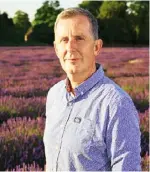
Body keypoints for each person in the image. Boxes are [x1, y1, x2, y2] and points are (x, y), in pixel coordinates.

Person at [43, 7, 141, 171]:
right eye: (64, 40)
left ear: (96, 47)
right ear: (56, 48)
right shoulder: (54, 94)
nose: (70, 47)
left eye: (79, 38)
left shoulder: (116, 104)